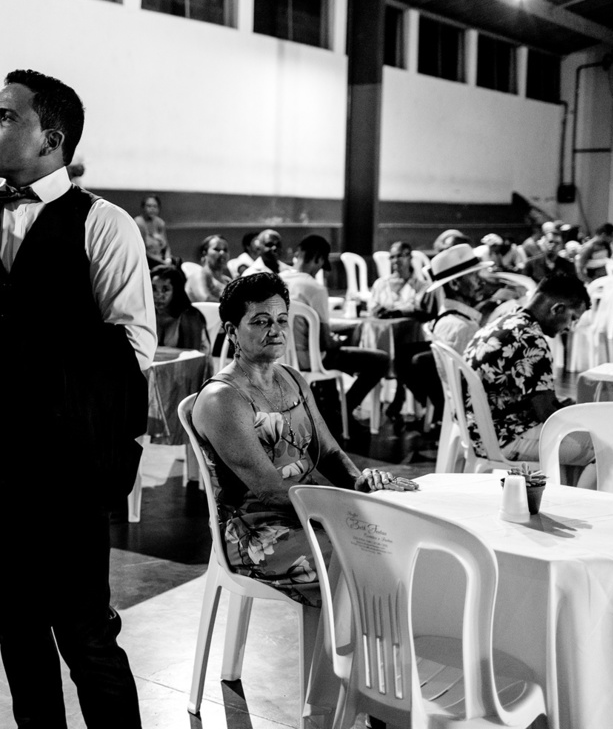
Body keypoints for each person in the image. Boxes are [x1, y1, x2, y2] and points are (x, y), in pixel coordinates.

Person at [0, 69, 154, 728]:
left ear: (51, 139)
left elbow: (133, 347)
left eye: (4, 116)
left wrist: (24, 349)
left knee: (85, 632)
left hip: (68, 461)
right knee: (15, 629)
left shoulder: (104, 225)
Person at [189, 273, 417, 606]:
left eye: (282, 320)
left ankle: (378, 636)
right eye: (261, 321)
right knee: (368, 559)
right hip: (259, 532)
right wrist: (346, 508)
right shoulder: (222, 399)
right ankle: (352, 640)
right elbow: (270, 492)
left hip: (309, 512)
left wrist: (360, 483)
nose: (276, 330)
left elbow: (329, 452)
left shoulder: (291, 378)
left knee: (404, 542)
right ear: (232, 331)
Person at [464, 275, 593, 468]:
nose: (569, 328)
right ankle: (569, 488)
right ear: (557, 309)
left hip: (479, 431)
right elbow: (547, 414)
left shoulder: (503, 322)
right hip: (505, 438)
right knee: (601, 446)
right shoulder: (530, 339)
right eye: (572, 319)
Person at [280, 235, 388, 427]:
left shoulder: (277, 281)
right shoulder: (315, 288)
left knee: (337, 354)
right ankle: (342, 409)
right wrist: (338, 340)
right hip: (309, 361)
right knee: (380, 360)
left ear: (297, 253)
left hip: (280, 358)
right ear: (319, 259)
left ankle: (329, 407)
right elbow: (325, 343)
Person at [395, 244, 492, 415]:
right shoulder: (464, 327)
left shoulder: (446, 320)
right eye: (474, 276)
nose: (481, 281)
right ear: (454, 284)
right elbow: (483, 384)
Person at [367, 241, 435, 319]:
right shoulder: (380, 283)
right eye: (392, 257)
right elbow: (372, 307)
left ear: (410, 257)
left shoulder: (421, 286)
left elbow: (419, 309)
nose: (395, 260)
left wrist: (398, 312)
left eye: (400, 256)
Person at [151, 263, 208, 352]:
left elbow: (192, 355)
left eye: (165, 290)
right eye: (154, 289)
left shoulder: (190, 316)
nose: (158, 295)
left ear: (176, 291)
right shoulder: (147, 315)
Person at [185, 234, 232, 302]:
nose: (222, 253)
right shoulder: (198, 275)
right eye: (217, 249)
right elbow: (205, 299)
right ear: (204, 253)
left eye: (225, 250)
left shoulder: (227, 280)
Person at [134, 194, 170, 260]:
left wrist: (168, 259)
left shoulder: (160, 222)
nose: (152, 209)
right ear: (143, 208)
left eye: (155, 206)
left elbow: (166, 246)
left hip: (161, 259)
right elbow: (142, 251)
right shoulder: (139, 222)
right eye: (149, 206)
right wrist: (162, 262)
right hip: (147, 261)